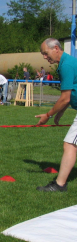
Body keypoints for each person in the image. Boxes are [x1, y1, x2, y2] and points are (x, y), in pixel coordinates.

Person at [36, 38, 77, 192]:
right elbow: (71, 92)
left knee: (70, 145)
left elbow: (65, 97)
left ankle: (59, 184)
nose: (45, 57)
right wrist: (60, 113)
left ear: (56, 49)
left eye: (46, 53)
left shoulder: (66, 65)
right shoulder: (68, 62)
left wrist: (48, 115)